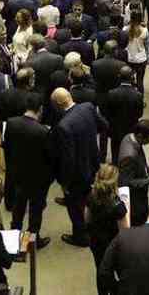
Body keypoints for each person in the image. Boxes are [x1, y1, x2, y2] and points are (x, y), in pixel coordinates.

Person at [51, 88, 104, 247]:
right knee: (91, 199)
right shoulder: (88, 107)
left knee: (75, 207)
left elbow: (69, 160)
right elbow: (103, 124)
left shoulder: (63, 125)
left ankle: (80, 237)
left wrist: (65, 184)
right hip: (93, 164)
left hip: (77, 175)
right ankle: (93, 227)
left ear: (58, 104)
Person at [4, 92, 53, 248]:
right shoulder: (43, 131)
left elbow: (8, 147)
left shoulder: (11, 123)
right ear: (40, 109)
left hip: (17, 173)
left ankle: (14, 237)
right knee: (35, 209)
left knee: (18, 207)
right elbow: (49, 157)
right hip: (38, 177)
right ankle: (33, 239)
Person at [86, 164, 129, 295]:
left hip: (95, 242)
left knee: (100, 270)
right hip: (113, 245)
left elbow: (87, 218)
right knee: (117, 272)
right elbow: (125, 231)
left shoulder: (91, 196)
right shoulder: (118, 207)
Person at [104, 67, 145, 165]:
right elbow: (140, 114)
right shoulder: (138, 95)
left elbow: (107, 113)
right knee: (129, 150)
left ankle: (114, 167)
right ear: (132, 78)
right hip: (131, 128)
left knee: (115, 149)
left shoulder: (111, 93)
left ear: (119, 77)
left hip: (115, 128)